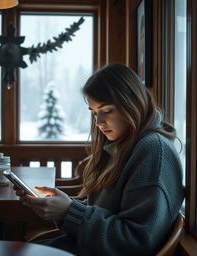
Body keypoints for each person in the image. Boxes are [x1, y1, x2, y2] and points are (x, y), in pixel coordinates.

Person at [14, 63, 185, 256]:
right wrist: (61, 206)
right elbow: (108, 213)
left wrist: (69, 211)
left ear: (132, 103)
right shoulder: (124, 146)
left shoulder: (153, 150)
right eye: (94, 112)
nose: (98, 122)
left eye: (107, 110)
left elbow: (136, 241)